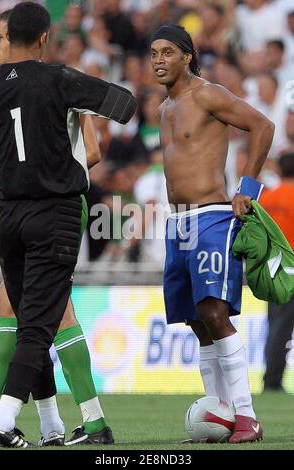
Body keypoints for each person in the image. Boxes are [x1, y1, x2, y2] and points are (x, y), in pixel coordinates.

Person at [0, 2, 136, 448]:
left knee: (28, 315)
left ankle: (53, 422)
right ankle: (25, 420)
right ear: (44, 38)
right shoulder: (60, 80)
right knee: (37, 319)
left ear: (8, 37)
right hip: (54, 209)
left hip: (9, 211)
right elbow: (125, 105)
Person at [150, 24, 274, 444]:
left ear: (187, 56)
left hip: (212, 217)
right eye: (153, 53)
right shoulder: (165, 108)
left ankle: (246, 416)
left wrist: (248, 189)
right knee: (196, 321)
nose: (158, 60)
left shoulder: (208, 94)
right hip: (177, 223)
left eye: (167, 52)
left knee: (215, 313)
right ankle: (218, 416)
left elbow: (263, 126)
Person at [260, 152, 294, 391]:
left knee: (277, 328)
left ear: (280, 170)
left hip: (275, 269)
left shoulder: (268, 199)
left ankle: (271, 379)